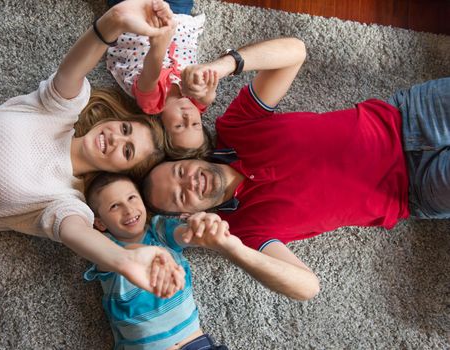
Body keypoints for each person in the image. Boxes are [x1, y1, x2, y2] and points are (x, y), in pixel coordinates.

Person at [142, 36, 450, 300]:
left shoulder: (234, 128)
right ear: (189, 214)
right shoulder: (243, 231)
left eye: (180, 173)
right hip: (417, 186)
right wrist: (229, 248)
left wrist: (220, 67)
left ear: (189, 158)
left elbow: (294, 52)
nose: (191, 184)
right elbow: (307, 287)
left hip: (408, 115)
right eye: (182, 197)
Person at [0, 0, 186, 297]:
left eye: (127, 152)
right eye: (125, 129)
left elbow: (76, 234)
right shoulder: (59, 111)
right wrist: (115, 19)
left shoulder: (65, 201)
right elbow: (74, 67)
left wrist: (125, 260)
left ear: (118, 173)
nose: (116, 139)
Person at [84, 172, 231, 349]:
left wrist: (201, 228)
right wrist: (138, 253)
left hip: (195, 341)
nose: (129, 210)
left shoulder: (159, 231)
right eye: (115, 206)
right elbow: (105, 254)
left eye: (132, 198)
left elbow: (185, 235)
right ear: (100, 224)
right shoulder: (107, 248)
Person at [105, 1, 217, 159]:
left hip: (138, 22)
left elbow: (150, 73)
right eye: (195, 124)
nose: (188, 117)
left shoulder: (152, 104)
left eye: (179, 126)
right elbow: (207, 99)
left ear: (161, 126)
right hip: (176, 17)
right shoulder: (194, 100)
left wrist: (159, 45)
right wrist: (208, 90)